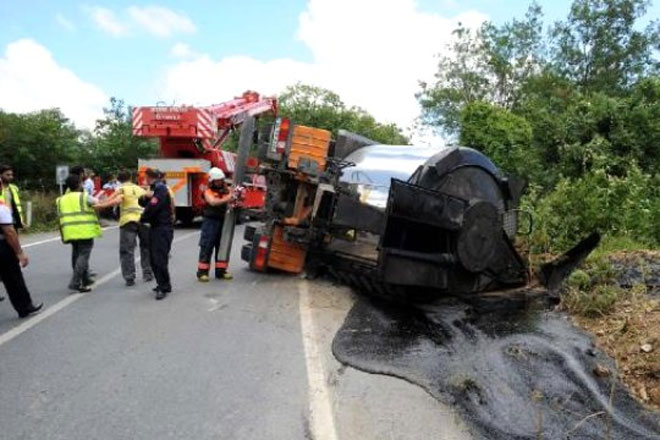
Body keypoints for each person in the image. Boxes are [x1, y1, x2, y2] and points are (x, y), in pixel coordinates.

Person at [56, 175, 116, 293]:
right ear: (79, 184)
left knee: (76, 255)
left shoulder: (60, 199)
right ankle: (76, 282)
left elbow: (59, 218)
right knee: (83, 256)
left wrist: (62, 234)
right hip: (84, 230)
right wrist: (111, 200)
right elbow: (99, 204)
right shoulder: (84, 197)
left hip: (69, 231)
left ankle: (85, 279)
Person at [105, 170, 153, 286]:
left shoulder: (121, 189)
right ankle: (147, 273)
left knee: (127, 250)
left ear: (119, 180)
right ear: (131, 178)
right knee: (146, 248)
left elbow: (110, 200)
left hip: (128, 221)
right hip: (143, 220)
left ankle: (129, 277)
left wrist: (100, 204)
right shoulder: (140, 189)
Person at [0, 199, 42, 318]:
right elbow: (9, 232)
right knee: (12, 278)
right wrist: (19, 252)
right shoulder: (1, 207)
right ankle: (24, 306)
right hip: (2, 246)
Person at [139, 168, 174, 300]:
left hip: (162, 228)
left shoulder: (160, 188)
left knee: (159, 258)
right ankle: (164, 283)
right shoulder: (154, 188)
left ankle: (163, 287)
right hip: (156, 227)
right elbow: (142, 202)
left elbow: (153, 206)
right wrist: (144, 195)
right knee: (154, 258)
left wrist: (142, 218)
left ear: (148, 177)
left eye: (145, 177)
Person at [197, 168, 234, 282]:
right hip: (210, 222)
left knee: (222, 246)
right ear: (212, 181)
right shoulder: (208, 191)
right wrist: (229, 198)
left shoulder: (226, 190)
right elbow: (213, 202)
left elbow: (232, 198)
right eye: (217, 180)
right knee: (207, 245)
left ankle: (221, 271)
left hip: (223, 221)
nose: (219, 182)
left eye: (221, 180)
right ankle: (202, 272)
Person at [0, 164, 25, 229]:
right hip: (2, 221)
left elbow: (17, 206)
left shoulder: (13, 189)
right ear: (1, 175)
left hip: (13, 220)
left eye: (11, 175)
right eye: (7, 175)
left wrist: (20, 220)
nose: (11, 177)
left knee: (14, 238)